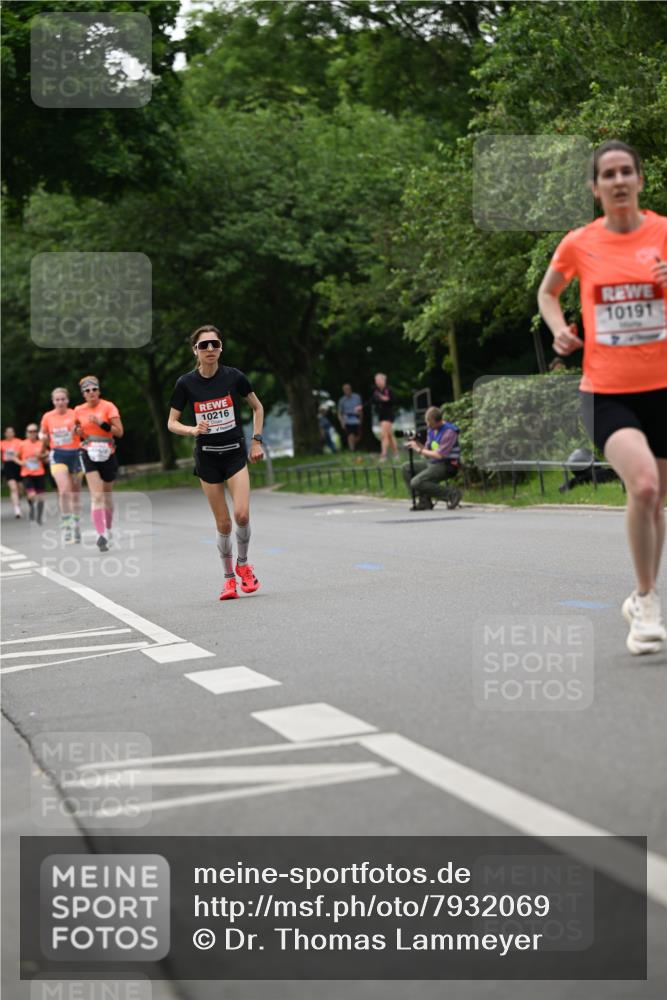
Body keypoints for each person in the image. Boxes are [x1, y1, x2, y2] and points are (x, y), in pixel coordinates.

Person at [537, 139, 667, 655]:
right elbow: (549, 292)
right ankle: (647, 599)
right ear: (595, 189)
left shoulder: (663, 233)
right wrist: (558, 332)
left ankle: (643, 597)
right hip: (607, 391)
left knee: (656, 503)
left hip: (663, 389)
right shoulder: (579, 243)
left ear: (639, 181)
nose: (617, 181)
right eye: (607, 174)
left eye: (625, 172)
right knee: (645, 486)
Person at [167, 325, 265, 601]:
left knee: (242, 515)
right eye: (203, 345)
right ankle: (228, 580)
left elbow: (257, 407)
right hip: (207, 458)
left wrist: (256, 440)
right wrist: (192, 429)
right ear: (195, 351)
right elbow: (171, 423)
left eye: (215, 344)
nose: (210, 349)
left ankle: (243, 565)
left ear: (221, 347)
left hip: (235, 453)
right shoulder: (186, 383)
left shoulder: (234, 377)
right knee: (223, 524)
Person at [74, 376, 123, 553]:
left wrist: (101, 423)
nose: (91, 392)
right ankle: (100, 534)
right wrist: (78, 433)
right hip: (88, 452)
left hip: (108, 453)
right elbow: (77, 433)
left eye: (94, 389)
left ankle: (108, 529)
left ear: (99, 391)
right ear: (83, 394)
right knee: (97, 496)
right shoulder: (78, 410)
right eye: (87, 390)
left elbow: (119, 432)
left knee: (107, 494)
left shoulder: (108, 407)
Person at [40, 387, 83, 544]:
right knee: (64, 490)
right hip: (58, 455)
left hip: (76, 455)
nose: (60, 402)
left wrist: (78, 431)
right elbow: (42, 434)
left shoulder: (75, 414)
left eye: (62, 399)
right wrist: (43, 438)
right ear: (53, 401)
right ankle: (66, 524)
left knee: (75, 493)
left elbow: (83, 432)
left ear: (67, 400)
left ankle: (76, 524)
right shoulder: (47, 417)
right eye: (57, 400)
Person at [403, 406, 462, 510]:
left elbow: (439, 455)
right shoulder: (432, 430)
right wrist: (416, 444)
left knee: (416, 482)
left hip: (448, 465)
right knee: (406, 467)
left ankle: (451, 493)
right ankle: (424, 500)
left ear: (438, 421)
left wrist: (419, 449)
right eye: (427, 422)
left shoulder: (449, 432)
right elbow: (426, 452)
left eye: (430, 423)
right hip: (434, 463)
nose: (428, 425)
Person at [16, 424, 48, 524]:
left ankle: (39, 515)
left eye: (34, 431)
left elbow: (46, 456)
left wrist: (42, 455)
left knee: (40, 496)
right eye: (30, 431)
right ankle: (31, 507)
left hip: (39, 473)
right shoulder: (22, 444)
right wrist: (21, 462)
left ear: (37, 433)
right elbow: (14, 457)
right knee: (32, 494)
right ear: (27, 433)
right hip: (27, 474)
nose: (32, 433)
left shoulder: (41, 443)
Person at [372, 372, 399, 462]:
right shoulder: (376, 392)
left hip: (389, 414)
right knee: (389, 435)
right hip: (381, 415)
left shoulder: (389, 390)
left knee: (383, 434)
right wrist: (362, 407)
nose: (377, 382)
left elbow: (394, 400)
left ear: (384, 380)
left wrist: (386, 399)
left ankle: (383, 455)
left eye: (378, 380)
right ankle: (396, 454)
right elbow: (372, 401)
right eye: (376, 380)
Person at [1, 427, 24, 518]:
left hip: (18, 465)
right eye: (8, 432)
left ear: (14, 433)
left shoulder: (19, 442)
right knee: (13, 488)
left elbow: (24, 453)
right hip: (8, 466)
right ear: (5, 434)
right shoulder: (2, 443)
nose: (10, 434)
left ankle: (18, 499)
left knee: (20, 489)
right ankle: (17, 509)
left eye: (11, 432)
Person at [337, 383, 362, 451]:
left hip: (356, 418)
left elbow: (360, 409)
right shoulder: (342, 400)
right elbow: (339, 412)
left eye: (348, 389)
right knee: (350, 435)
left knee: (357, 436)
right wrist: (342, 422)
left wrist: (360, 419)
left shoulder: (357, 397)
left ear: (351, 389)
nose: (346, 390)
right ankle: (352, 450)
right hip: (347, 419)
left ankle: (354, 447)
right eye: (345, 389)